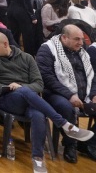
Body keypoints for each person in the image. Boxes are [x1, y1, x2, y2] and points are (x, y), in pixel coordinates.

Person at [0, 32, 94, 173]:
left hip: (30, 100)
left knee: (38, 115)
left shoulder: (27, 58)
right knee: (23, 92)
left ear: (5, 44)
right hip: (7, 99)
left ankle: (38, 159)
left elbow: (39, 84)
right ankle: (65, 124)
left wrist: (22, 87)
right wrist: (9, 87)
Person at [34, 25, 96, 163]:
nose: (81, 42)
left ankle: (89, 143)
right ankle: (70, 145)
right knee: (66, 107)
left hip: (84, 93)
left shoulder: (82, 50)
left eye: (82, 39)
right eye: (76, 39)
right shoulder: (48, 49)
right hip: (55, 93)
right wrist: (69, 95)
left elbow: (93, 75)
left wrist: (93, 94)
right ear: (64, 38)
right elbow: (47, 77)